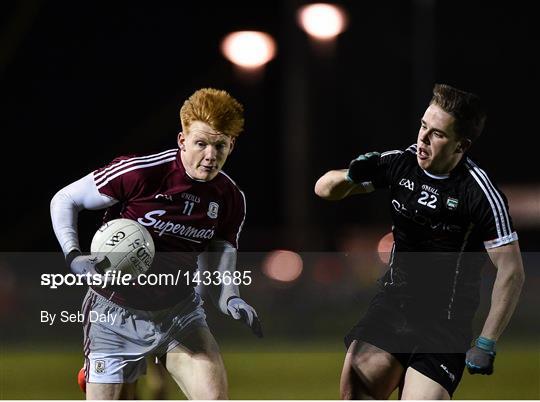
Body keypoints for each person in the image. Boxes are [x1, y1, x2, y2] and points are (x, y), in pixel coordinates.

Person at [315, 84, 524, 399]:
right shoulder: (402, 163)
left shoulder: (479, 193)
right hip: (390, 310)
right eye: (423, 126)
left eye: (437, 133)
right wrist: (349, 177)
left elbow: (511, 271)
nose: (423, 138)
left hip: (444, 327)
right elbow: (323, 189)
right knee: (354, 393)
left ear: (460, 145)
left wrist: (486, 341)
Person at [51, 88, 262, 400]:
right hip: (114, 311)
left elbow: (222, 249)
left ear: (231, 144)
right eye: (200, 144)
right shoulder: (142, 173)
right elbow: (65, 199)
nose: (210, 155)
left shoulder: (229, 197)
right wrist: (73, 255)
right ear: (182, 140)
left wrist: (230, 297)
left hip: (179, 312)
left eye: (220, 146)